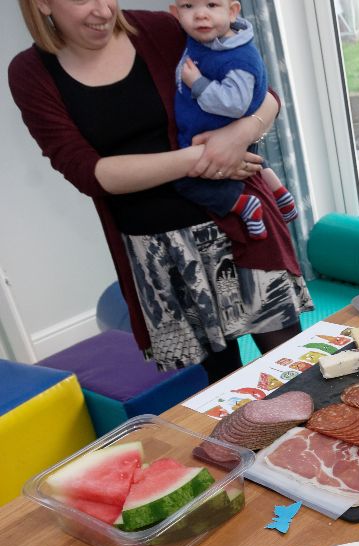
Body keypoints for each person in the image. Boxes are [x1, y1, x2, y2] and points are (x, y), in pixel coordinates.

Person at [9, 0, 313, 383]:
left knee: (295, 368)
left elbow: (263, 94)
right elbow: (88, 173)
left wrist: (240, 134)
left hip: (238, 222)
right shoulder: (30, 73)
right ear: (41, 3)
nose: (103, 10)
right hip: (161, 255)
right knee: (220, 388)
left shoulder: (163, 30)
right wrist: (199, 158)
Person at [170, 0, 297, 240]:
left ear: (232, 11)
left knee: (187, 182)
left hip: (218, 133)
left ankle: (243, 205)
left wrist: (198, 83)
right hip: (216, 130)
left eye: (211, 5)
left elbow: (236, 104)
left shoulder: (238, 58)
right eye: (188, 6)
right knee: (251, 163)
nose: (200, 15)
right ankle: (279, 192)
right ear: (175, 14)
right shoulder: (204, 40)